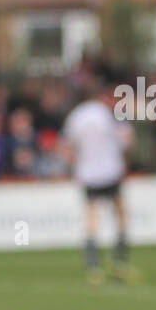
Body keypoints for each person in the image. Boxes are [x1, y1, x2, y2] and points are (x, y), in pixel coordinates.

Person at [61, 81, 139, 284]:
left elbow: (66, 147)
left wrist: (77, 164)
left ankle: (93, 266)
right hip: (110, 171)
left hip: (88, 173)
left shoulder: (76, 116)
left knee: (91, 216)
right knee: (120, 213)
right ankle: (119, 261)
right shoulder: (108, 113)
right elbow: (127, 138)